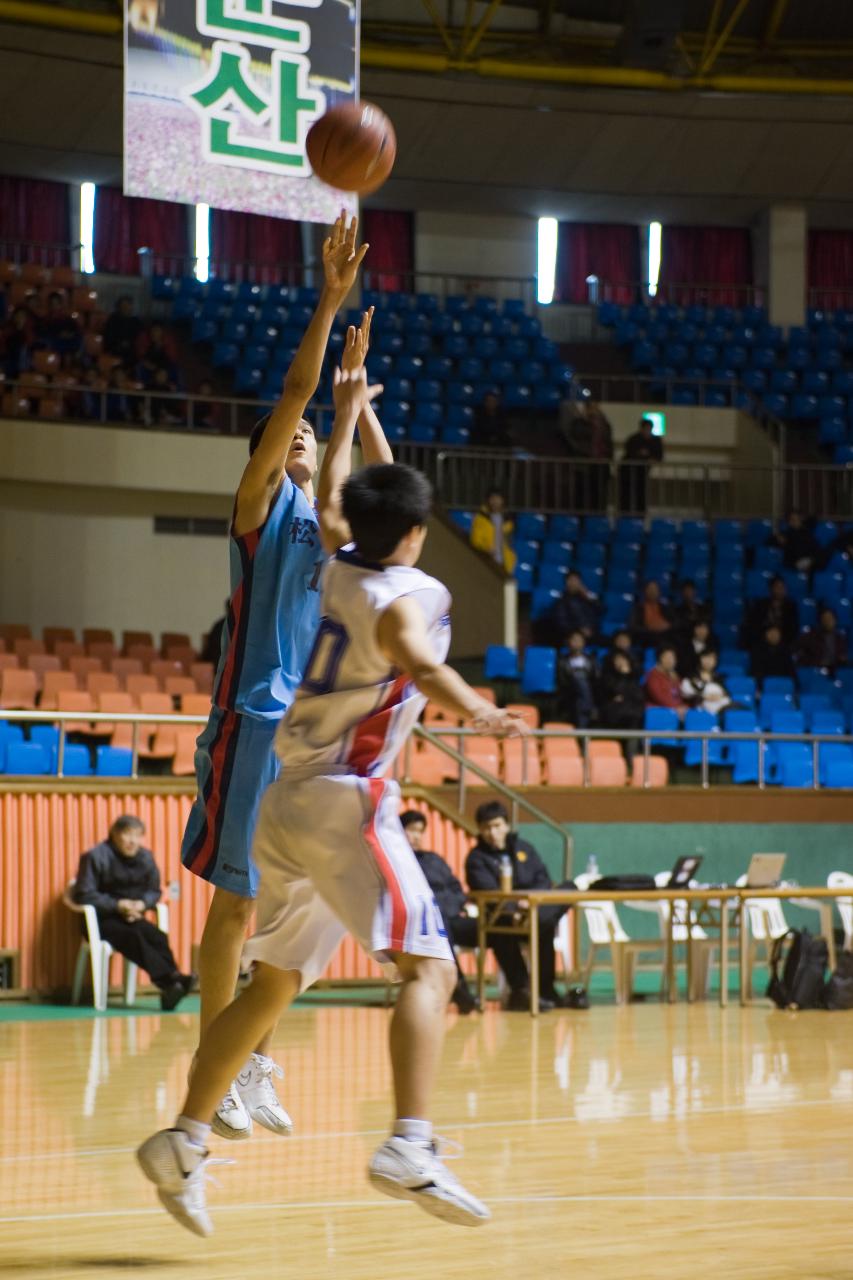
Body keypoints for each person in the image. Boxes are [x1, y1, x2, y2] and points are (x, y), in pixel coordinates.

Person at [137, 401, 526, 1234]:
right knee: (431, 971)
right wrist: (477, 708)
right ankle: (408, 1145)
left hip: (285, 800)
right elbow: (420, 659)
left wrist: (353, 408)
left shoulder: (337, 567)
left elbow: (367, 501)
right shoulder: (410, 591)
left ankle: (183, 1140)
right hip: (349, 800)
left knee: (272, 979)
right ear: (418, 533)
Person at [180, 214, 379, 1142]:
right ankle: (211, 1070)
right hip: (253, 722)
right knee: (238, 904)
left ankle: (248, 1058)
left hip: (309, 744)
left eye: (305, 438)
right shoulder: (260, 505)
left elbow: (373, 486)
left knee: (289, 921)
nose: (299, 441)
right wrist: (327, 304)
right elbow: (294, 394)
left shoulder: (329, 520)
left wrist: (354, 406)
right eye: (289, 434)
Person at [73, 816, 192, 1011]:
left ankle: (172, 983)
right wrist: (118, 905)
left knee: (157, 936)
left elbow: (154, 891)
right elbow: (84, 894)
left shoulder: (146, 857)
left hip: (133, 917)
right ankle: (172, 982)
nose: (132, 841)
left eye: (138, 836)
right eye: (127, 834)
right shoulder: (96, 856)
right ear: (114, 835)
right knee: (134, 936)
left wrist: (141, 904)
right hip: (102, 921)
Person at [466, 801, 573, 1013]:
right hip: (503, 919)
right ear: (479, 829)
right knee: (527, 927)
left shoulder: (524, 849)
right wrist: (515, 907)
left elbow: (543, 880)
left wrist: (529, 904)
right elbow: (487, 891)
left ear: (506, 825)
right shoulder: (476, 859)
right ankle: (524, 990)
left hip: (533, 911)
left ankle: (545, 989)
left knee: (569, 888)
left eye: (497, 825)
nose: (492, 832)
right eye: (486, 827)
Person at [398, 810, 485, 1014]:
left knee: (490, 929)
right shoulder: (398, 863)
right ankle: (458, 987)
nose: (416, 836)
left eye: (420, 831)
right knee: (438, 921)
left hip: (453, 916)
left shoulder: (434, 859)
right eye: (411, 830)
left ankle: (523, 989)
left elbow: (456, 889)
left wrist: (453, 906)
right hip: (422, 925)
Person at [561, 399, 613, 511]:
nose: (594, 410)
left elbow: (608, 443)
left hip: (601, 464)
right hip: (584, 464)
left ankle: (599, 517)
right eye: (591, 408)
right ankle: (581, 518)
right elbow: (576, 439)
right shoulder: (579, 424)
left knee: (600, 494)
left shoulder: (604, 425)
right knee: (583, 494)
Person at [598, 651, 645, 762]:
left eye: (623, 659)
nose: (621, 662)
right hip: (612, 713)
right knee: (631, 718)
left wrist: (624, 694)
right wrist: (623, 675)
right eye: (617, 660)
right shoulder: (607, 677)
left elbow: (638, 695)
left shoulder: (634, 678)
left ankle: (632, 759)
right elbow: (615, 690)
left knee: (634, 720)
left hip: (630, 714)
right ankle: (620, 758)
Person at [618, 415, 662, 514]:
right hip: (628, 473)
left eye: (649, 429)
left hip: (642, 473)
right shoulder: (634, 439)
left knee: (641, 495)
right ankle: (625, 514)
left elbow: (658, 455)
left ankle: (640, 515)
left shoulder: (655, 440)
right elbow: (631, 453)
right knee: (627, 496)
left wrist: (647, 456)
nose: (647, 431)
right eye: (645, 428)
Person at [743, 576, 799, 649]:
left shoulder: (791, 607)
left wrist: (779, 635)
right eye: (778, 587)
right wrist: (766, 634)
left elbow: (793, 627)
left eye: (783, 587)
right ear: (771, 589)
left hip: (783, 641)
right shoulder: (760, 605)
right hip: (763, 639)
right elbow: (753, 624)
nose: (781, 590)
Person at [556, 629, 598, 727]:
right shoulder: (562, 661)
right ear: (568, 642)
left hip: (589, 692)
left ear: (584, 643)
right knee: (579, 682)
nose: (576, 643)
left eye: (579, 640)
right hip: (571, 693)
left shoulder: (591, 659)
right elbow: (562, 681)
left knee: (583, 685)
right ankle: (588, 711)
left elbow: (596, 679)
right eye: (574, 640)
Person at [469, 489, 515, 573]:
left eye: (498, 499)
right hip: (486, 561)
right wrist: (486, 549)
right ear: (488, 500)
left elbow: (509, 544)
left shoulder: (508, 521)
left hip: (504, 565)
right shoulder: (481, 518)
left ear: (503, 501)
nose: (495, 502)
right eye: (492, 498)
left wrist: (511, 559)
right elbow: (475, 540)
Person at [552, 570, 601, 641]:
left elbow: (601, 610)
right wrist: (579, 630)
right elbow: (561, 623)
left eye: (576, 580)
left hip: (592, 633)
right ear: (566, 582)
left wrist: (588, 597)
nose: (573, 583)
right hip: (573, 635)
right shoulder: (561, 601)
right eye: (571, 580)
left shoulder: (587, 597)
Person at [681, 649, 731, 717]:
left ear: (715, 661)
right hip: (699, 712)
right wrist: (704, 697)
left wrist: (719, 696)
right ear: (700, 659)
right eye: (706, 657)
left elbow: (727, 694)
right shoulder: (692, 677)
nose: (708, 661)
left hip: (720, 711)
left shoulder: (719, 678)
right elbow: (686, 695)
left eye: (712, 658)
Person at [796, 608, 848, 673]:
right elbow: (798, 652)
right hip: (815, 670)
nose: (828, 621)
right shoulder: (810, 636)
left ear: (835, 620)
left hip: (834, 670)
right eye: (825, 619)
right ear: (820, 621)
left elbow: (842, 657)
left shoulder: (840, 638)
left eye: (830, 618)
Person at [644, 644, 689, 719]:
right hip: (659, 713)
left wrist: (684, 706)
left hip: (676, 712)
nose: (670, 661)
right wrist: (676, 708)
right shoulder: (652, 675)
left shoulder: (674, 676)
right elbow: (659, 697)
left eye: (673, 657)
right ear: (660, 658)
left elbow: (681, 695)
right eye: (667, 657)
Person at [629, 580, 673, 648]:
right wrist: (650, 629)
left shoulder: (665, 608)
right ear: (645, 591)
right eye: (650, 589)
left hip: (665, 635)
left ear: (659, 592)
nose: (653, 592)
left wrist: (668, 626)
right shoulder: (638, 608)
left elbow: (674, 622)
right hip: (646, 637)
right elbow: (632, 626)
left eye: (655, 589)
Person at [103, 295, 142, 365]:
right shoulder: (112, 319)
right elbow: (108, 336)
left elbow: (139, 337)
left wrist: (130, 343)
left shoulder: (136, 321)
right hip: (115, 349)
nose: (126, 307)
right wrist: (120, 343)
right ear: (119, 306)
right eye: (124, 305)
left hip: (131, 350)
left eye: (128, 305)